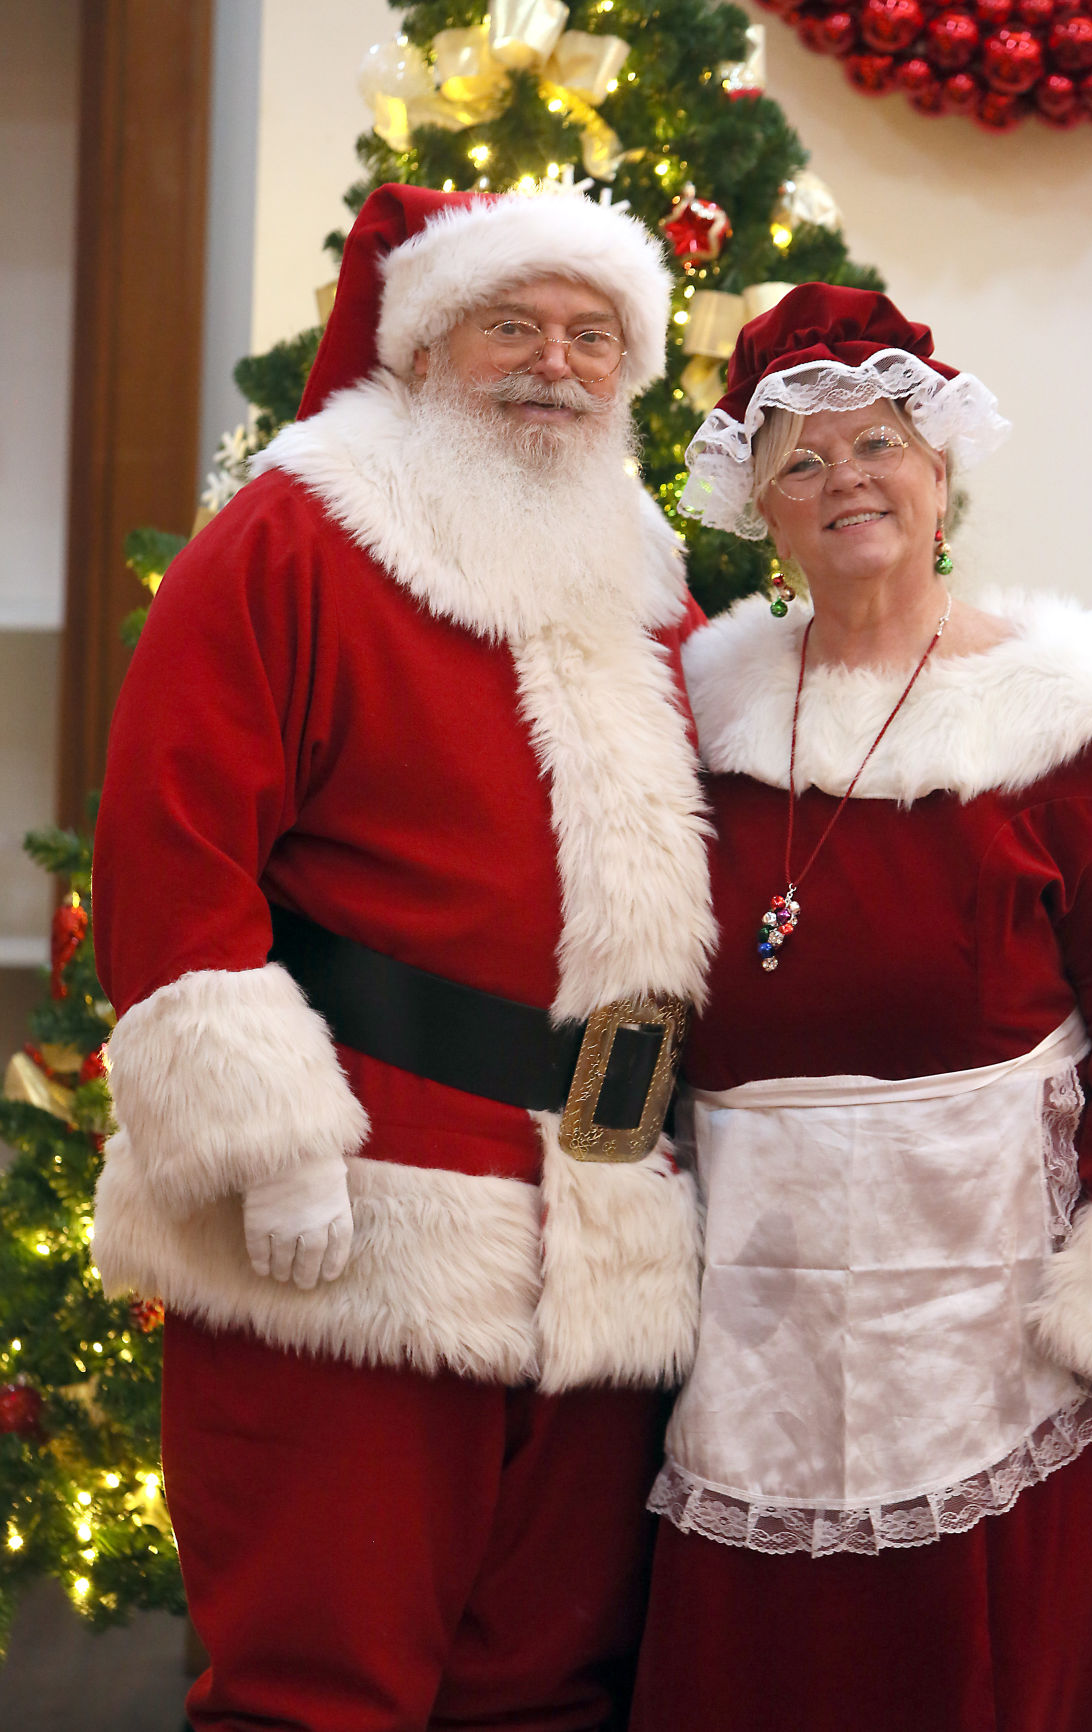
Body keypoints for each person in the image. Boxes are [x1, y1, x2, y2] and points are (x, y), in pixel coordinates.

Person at [90, 182, 715, 1732]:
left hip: (598, 1225)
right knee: (322, 1683)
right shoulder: (302, 531)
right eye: (514, 324)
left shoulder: (644, 580)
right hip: (357, 1217)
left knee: (546, 1686)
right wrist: (269, 1139)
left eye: (592, 337)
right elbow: (171, 841)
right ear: (428, 342)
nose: (555, 364)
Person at [629, 282, 1092, 1732]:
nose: (844, 483)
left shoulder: (1063, 711)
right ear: (759, 507)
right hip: (756, 1281)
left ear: (940, 470)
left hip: (1002, 1290)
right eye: (801, 463)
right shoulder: (698, 710)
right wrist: (599, 1165)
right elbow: (630, 976)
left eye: (876, 443)